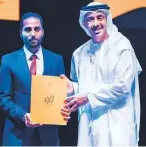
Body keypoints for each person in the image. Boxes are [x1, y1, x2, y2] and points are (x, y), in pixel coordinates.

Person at [61, 2, 142, 146]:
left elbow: (122, 87)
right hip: (89, 124)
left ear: (107, 19)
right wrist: (73, 88)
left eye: (100, 17)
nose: (95, 23)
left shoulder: (122, 46)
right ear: (84, 23)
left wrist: (88, 98)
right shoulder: (79, 53)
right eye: (90, 19)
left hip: (117, 123)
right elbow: (87, 86)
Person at [0, 12, 66, 146]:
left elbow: (62, 96)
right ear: (20, 33)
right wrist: (23, 116)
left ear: (43, 31)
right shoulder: (8, 60)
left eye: (37, 29)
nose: (33, 33)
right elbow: (2, 98)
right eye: (28, 29)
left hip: (48, 136)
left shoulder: (56, 60)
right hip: (17, 134)